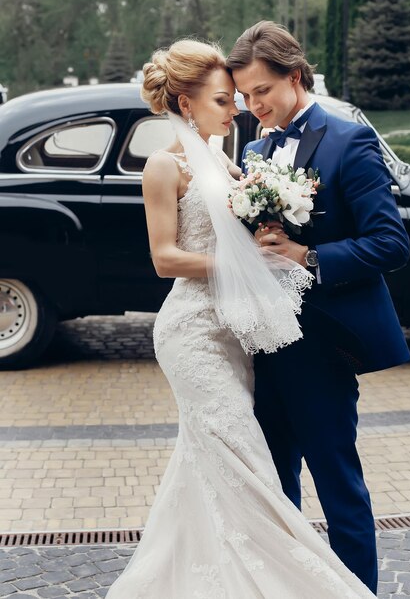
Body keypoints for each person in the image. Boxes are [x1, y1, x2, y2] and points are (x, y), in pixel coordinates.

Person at [106, 38, 377, 598]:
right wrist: (247, 259)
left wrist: (282, 242)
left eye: (246, 97)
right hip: (193, 334)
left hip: (242, 337)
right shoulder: (164, 164)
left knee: (219, 468)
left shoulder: (232, 158)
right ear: (186, 104)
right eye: (227, 100)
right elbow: (164, 259)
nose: (239, 111)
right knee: (249, 466)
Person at [227, 21, 410, 595]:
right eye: (245, 96)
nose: (254, 107)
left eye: (263, 92)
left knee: (338, 484)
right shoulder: (255, 149)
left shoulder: (347, 140)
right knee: (277, 485)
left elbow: (391, 243)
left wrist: (308, 255)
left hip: (325, 344)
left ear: (296, 76)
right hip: (268, 345)